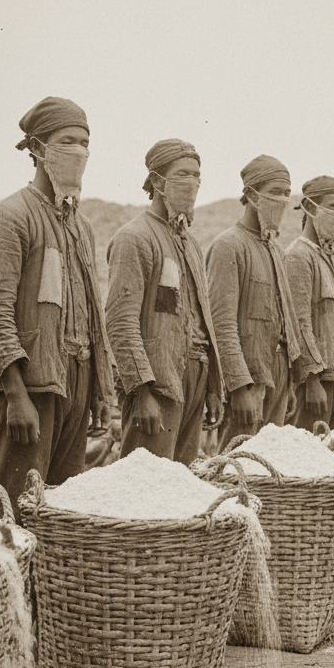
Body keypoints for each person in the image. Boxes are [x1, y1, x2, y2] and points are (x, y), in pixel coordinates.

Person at [0, 96, 115, 516]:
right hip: (34, 388)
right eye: (67, 141)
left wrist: (100, 391)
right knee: (20, 510)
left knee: (64, 511)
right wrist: (15, 395)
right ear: (36, 148)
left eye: (85, 143)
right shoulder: (11, 216)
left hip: (77, 383)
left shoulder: (81, 226)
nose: (79, 153)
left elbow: (92, 315)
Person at [105, 138, 223, 465]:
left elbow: (204, 321)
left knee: (180, 486)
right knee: (144, 487)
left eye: (197, 176)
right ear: (157, 181)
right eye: (183, 174)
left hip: (194, 381)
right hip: (157, 385)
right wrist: (141, 392)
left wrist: (213, 387)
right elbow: (120, 321)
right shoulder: (135, 237)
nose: (193, 184)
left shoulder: (191, 246)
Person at [206, 155, 302, 449]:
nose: (282, 200)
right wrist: (239, 386)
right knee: (236, 464)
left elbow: (285, 319)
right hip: (250, 380)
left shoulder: (275, 249)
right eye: (274, 192)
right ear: (250, 195)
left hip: (278, 375)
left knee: (268, 464)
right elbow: (222, 324)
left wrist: (290, 383)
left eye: (287, 193)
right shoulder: (229, 245)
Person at [284, 175, 334, 431]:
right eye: (333, 206)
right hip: (317, 381)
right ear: (309, 207)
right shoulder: (298, 256)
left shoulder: (330, 258)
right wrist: (312, 380)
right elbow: (300, 322)